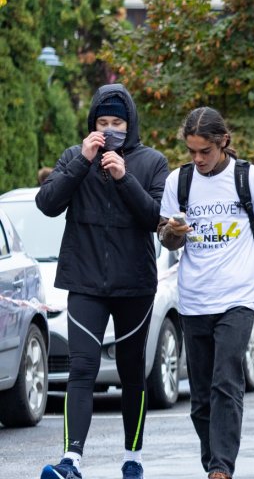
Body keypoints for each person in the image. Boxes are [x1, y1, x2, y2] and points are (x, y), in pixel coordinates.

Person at [37, 85, 169, 479]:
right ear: (92, 124)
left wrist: (124, 177)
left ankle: (133, 457)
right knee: (82, 369)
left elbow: (154, 217)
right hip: (85, 279)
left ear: (130, 125)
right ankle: (71, 461)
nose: (109, 130)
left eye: (117, 123)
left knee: (132, 372)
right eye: (102, 123)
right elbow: (47, 204)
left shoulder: (152, 162)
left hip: (135, 284)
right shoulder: (73, 157)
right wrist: (83, 159)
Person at [158, 107, 254, 479]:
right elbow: (164, 235)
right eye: (192, 152)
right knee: (200, 398)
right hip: (194, 297)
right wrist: (171, 232)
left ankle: (221, 468)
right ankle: (212, 459)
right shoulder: (178, 182)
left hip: (239, 294)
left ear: (223, 143)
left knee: (225, 381)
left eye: (205, 152)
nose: (198, 159)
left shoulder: (251, 179)